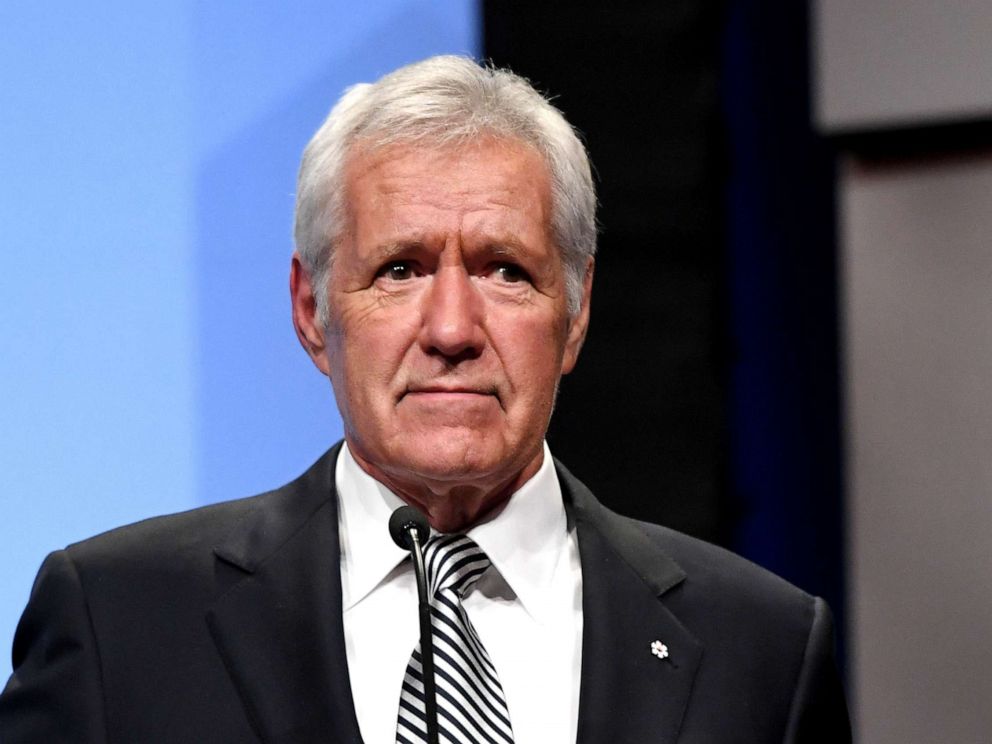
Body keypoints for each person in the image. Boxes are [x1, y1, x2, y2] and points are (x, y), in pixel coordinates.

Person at [0, 55, 850, 743]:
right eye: (399, 270)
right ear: (312, 310)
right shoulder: (120, 624)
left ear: (578, 311)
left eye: (505, 270)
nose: (452, 329)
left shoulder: (763, 648)